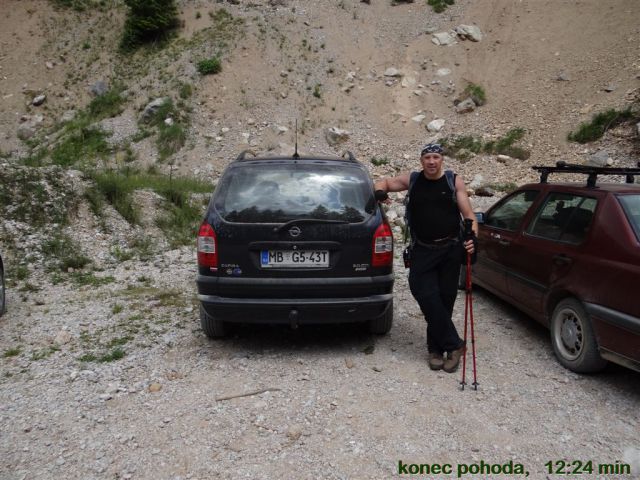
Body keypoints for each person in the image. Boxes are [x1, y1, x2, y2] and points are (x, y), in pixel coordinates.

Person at [374, 143, 477, 373]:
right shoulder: (413, 180)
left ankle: (437, 350)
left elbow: (469, 216)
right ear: (421, 161)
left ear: (442, 160)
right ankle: (455, 344)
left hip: (450, 248)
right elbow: (385, 182)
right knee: (423, 291)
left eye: (436, 157)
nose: (431, 161)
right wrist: (380, 192)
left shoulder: (454, 181)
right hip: (423, 249)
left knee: (445, 299)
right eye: (427, 157)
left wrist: (473, 240)